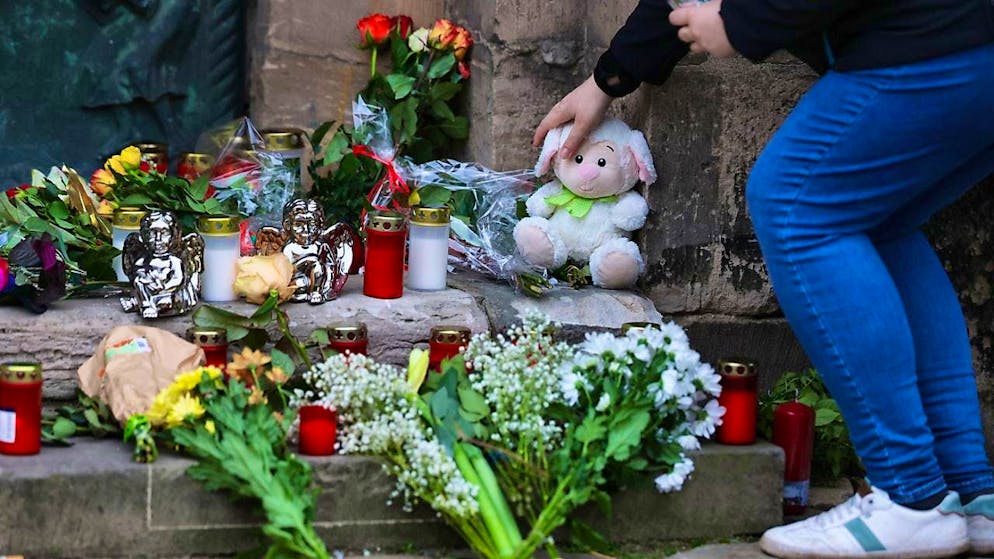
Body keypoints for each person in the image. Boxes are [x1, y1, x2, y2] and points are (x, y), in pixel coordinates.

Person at [533, 1, 994, 557]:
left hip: (933, 43)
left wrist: (742, 23)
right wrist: (607, 79)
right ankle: (969, 493)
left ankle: (908, 494)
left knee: (795, 204)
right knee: (884, 223)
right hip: (970, 46)